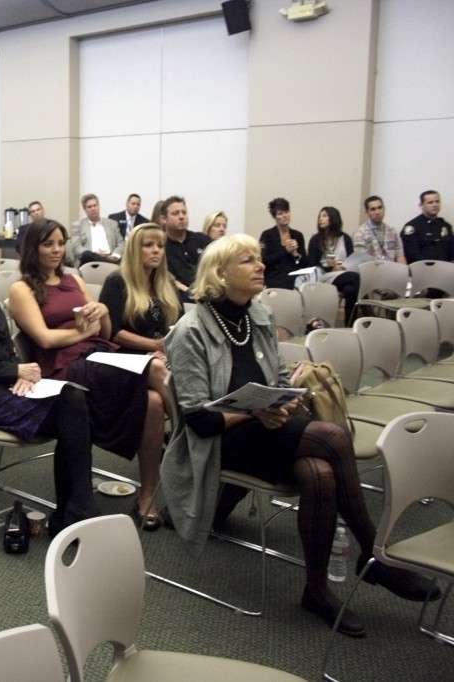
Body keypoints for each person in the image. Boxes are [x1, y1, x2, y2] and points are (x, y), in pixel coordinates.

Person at [161, 234, 439, 637]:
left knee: (318, 473)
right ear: (220, 274)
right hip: (220, 441)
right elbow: (198, 421)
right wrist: (256, 411)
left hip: (265, 428)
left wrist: (283, 402)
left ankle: (316, 590)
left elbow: (274, 379)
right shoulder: (190, 331)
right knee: (331, 438)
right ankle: (375, 554)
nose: (260, 266)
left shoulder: (258, 314)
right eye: (247, 260)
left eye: (258, 258)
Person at [0, 233, 101, 536]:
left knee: (74, 400)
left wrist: (21, 373)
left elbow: (6, 351)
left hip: (7, 390)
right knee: (72, 414)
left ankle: (73, 513)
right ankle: (77, 513)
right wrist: (15, 370)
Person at [8, 220, 167, 530]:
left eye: (60, 243)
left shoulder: (75, 279)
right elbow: (45, 339)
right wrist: (86, 332)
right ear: (33, 248)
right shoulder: (21, 288)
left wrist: (102, 315)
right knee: (158, 368)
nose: (56, 250)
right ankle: (195, 441)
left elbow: (106, 333)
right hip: (64, 367)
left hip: (98, 355)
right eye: (48, 244)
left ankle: (149, 492)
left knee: (154, 403)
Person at [99, 223, 181, 362]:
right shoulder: (117, 282)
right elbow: (114, 332)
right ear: (134, 250)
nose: (156, 251)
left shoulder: (169, 283)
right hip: (130, 356)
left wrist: (168, 352)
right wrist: (156, 346)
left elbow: (180, 324)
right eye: (148, 245)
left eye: (160, 246)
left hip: (168, 354)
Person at [308, 206, 360, 325]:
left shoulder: (345, 238)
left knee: (350, 289)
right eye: (319, 216)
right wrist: (330, 268)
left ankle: (350, 324)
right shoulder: (316, 240)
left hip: (344, 274)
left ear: (333, 218)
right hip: (324, 276)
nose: (320, 219)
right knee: (356, 278)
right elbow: (312, 264)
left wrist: (343, 267)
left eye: (324, 216)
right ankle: (367, 313)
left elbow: (352, 260)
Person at [163, 195, 211, 302]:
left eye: (184, 213)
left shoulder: (202, 240)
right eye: (176, 213)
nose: (181, 217)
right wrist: (188, 291)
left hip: (208, 294)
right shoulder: (160, 245)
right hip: (177, 298)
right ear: (164, 219)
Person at [259, 197, 310, 289]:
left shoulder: (297, 235)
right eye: (280, 213)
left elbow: (306, 263)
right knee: (299, 283)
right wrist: (285, 250)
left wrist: (296, 255)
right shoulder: (267, 235)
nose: (285, 215)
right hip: (274, 276)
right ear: (274, 217)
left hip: (294, 273)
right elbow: (263, 260)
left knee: (311, 275)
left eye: (286, 212)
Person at [67, 194, 123, 266]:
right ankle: (111, 264)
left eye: (95, 205)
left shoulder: (112, 224)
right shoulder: (78, 225)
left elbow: (121, 243)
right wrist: (94, 255)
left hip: (110, 257)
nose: (93, 209)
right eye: (89, 207)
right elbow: (76, 247)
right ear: (85, 209)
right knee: (86, 254)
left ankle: (109, 263)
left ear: (99, 206)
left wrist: (115, 255)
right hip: (90, 261)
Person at [401, 190, 453, 264]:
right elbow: (412, 254)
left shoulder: (445, 225)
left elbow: (452, 250)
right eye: (430, 202)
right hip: (423, 270)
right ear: (421, 205)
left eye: (437, 201)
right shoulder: (412, 227)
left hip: (446, 270)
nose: (435, 205)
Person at [352, 195, 405, 264]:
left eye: (380, 208)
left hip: (391, 270)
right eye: (373, 209)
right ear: (367, 212)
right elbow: (361, 260)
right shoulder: (360, 233)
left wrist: (403, 272)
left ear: (384, 209)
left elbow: (400, 256)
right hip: (371, 271)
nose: (377, 212)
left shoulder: (392, 231)